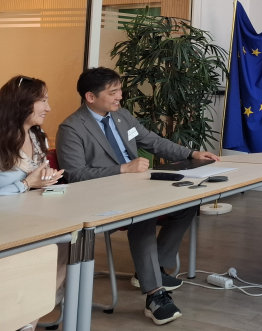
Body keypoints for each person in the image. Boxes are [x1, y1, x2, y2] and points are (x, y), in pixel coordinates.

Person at [56, 68, 220, 325]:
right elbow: (75, 175)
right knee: (143, 215)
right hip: (101, 197)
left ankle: (153, 269)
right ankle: (155, 295)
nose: (120, 96)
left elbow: (153, 141)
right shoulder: (71, 128)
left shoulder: (121, 116)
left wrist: (191, 154)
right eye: (113, 92)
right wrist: (121, 169)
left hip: (137, 186)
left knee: (188, 202)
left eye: (119, 90)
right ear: (90, 97)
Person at [0, 76, 67, 330]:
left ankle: (28, 321)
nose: (48, 108)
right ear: (21, 102)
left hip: (28, 217)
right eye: (42, 100)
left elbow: (36, 180)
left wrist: (46, 180)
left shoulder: (38, 137)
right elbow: (27, 183)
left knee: (68, 244)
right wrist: (27, 184)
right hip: (7, 223)